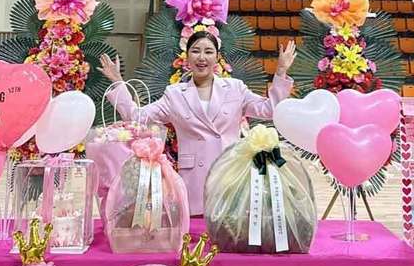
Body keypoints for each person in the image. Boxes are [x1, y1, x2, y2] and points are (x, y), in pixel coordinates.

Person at [98, 32, 296, 214]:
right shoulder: (174, 94)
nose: (202, 57)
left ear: (217, 57)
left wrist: (280, 72)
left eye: (208, 52)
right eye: (195, 51)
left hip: (230, 174)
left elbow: (269, 109)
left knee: (229, 228)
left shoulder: (235, 89)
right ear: (187, 57)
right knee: (195, 232)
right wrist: (117, 81)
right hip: (193, 180)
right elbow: (137, 117)